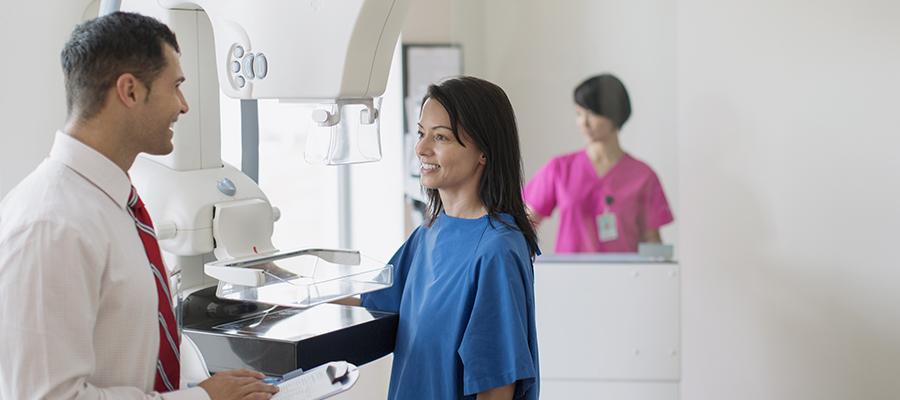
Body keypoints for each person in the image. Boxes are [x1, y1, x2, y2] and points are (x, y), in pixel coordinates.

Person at [0, 12, 279, 400]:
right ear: (130, 91)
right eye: (176, 86)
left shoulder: (115, 204)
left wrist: (202, 386)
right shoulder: (50, 224)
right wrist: (204, 399)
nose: (183, 106)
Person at [357, 77, 541, 400]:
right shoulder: (427, 234)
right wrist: (278, 297)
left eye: (440, 137)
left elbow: (497, 387)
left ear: (483, 151)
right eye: (421, 133)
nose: (421, 148)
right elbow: (369, 303)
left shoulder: (496, 251)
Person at [523, 74, 674, 253]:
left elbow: (651, 239)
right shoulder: (560, 169)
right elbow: (525, 224)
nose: (583, 123)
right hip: (570, 277)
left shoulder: (643, 176)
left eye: (592, 113)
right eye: (579, 114)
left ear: (615, 114)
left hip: (625, 278)